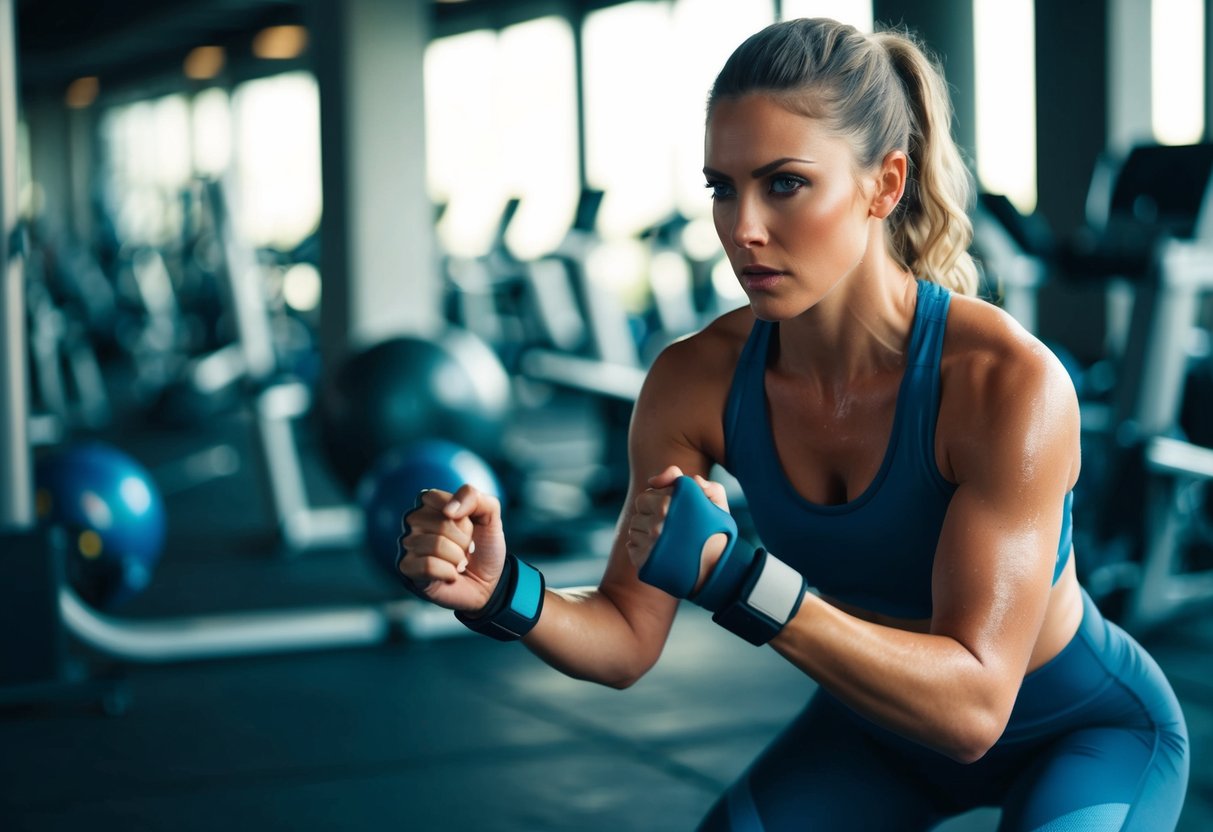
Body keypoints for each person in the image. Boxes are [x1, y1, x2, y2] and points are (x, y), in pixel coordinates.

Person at [399, 16, 1189, 831]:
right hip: (875, 733)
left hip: (1078, 733)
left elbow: (972, 710)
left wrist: (744, 579)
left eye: (783, 183)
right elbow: (625, 638)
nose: (742, 228)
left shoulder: (1001, 383)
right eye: (721, 186)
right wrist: (504, 591)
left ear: (883, 185)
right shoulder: (693, 381)